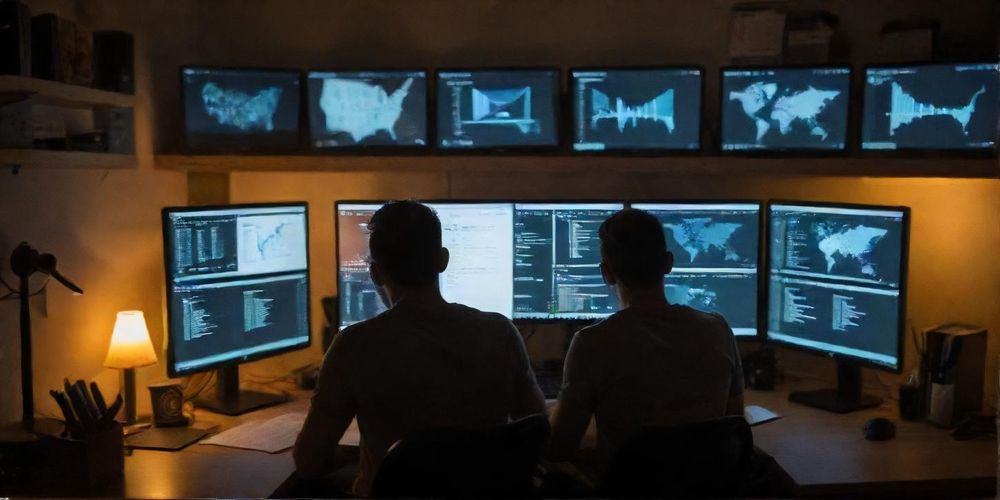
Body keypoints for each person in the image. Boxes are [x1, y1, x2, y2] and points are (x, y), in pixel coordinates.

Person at [294, 200, 545, 497]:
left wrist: (368, 460)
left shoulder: (353, 346)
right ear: (443, 260)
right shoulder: (501, 332)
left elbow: (309, 462)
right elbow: (536, 431)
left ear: (375, 273)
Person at [546, 208, 744, 474]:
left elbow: (560, 447)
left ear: (607, 273)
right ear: (668, 263)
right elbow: (734, 423)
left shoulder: (592, 343)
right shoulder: (718, 329)